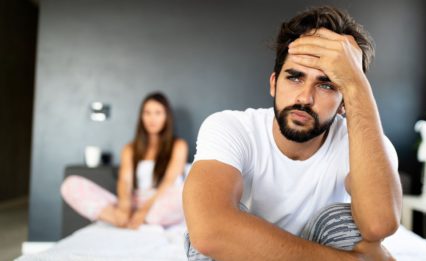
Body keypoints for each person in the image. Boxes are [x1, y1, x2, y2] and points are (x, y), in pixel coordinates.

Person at [183, 5, 402, 261]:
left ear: (344, 102)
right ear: (274, 84)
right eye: (295, 78)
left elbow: (379, 224)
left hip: (320, 244)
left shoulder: (366, 145)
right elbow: (209, 232)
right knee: (211, 231)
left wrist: (356, 85)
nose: (305, 97)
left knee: (343, 222)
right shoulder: (231, 127)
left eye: (326, 85)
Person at [61, 92, 188, 229]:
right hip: (135, 202)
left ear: (166, 116)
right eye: (147, 113)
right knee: (70, 184)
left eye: (158, 113)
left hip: (162, 201)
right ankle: (123, 220)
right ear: (141, 116)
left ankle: (142, 220)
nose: (152, 119)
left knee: (185, 193)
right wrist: (124, 208)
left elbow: (168, 182)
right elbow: (125, 182)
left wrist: (144, 211)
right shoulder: (130, 148)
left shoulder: (178, 146)